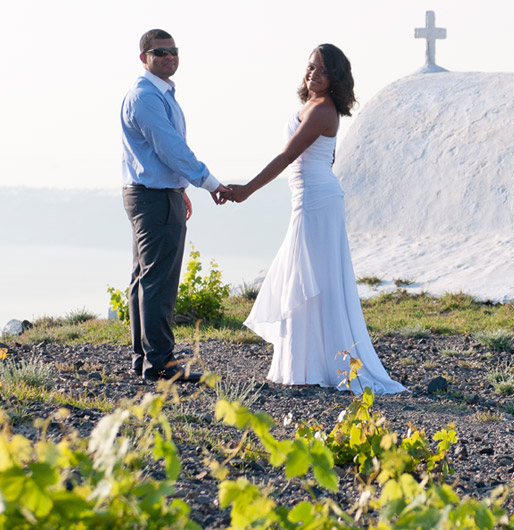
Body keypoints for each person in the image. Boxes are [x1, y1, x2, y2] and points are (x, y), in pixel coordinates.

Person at [222, 44, 406, 394]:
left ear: (334, 78)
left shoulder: (323, 110)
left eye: (322, 70)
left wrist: (246, 189)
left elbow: (287, 156)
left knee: (311, 280)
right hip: (310, 197)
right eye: (311, 67)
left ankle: (318, 365)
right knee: (306, 278)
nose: (313, 74)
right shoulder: (312, 106)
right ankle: (306, 363)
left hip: (316, 201)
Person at [121, 29, 228, 382]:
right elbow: (170, 148)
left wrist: (179, 189)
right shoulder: (146, 97)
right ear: (144, 58)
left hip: (154, 192)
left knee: (145, 279)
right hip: (152, 197)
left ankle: (145, 360)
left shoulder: (159, 93)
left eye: (173, 51)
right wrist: (208, 182)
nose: (169, 57)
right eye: (160, 52)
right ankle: (161, 365)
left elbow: (157, 154)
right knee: (158, 283)